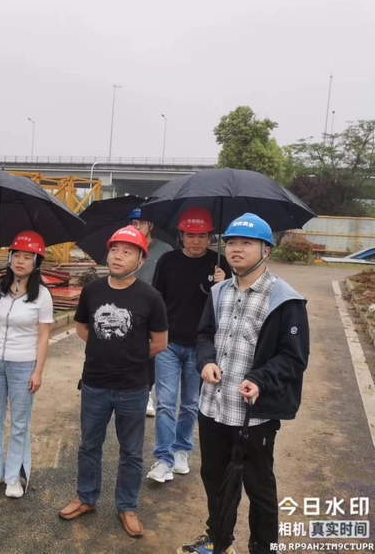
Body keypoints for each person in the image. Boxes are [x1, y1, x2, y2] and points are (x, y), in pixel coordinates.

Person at [178, 213, 310, 554]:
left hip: (254, 414)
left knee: (258, 485)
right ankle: (218, 540)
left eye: (247, 243)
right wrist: (206, 361)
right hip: (213, 406)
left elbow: (294, 357)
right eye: (231, 242)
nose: (236, 249)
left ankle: (263, 547)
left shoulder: (285, 299)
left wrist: (259, 378)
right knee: (214, 477)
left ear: (266, 250)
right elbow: (204, 335)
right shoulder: (218, 292)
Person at [58, 226, 168, 539]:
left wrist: (129, 356)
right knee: (89, 445)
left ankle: (127, 506)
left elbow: (160, 342)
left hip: (133, 387)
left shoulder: (151, 298)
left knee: (131, 452)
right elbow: (82, 327)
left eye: (127, 251)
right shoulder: (93, 290)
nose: (118, 256)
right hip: (94, 383)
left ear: (141, 260)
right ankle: (86, 498)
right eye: (115, 250)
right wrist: (104, 347)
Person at [147, 207, 232, 483]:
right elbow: (156, 299)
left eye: (202, 236)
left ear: (210, 237)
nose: (196, 241)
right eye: (190, 235)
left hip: (201, 346)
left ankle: (181, 450)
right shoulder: (168, 261)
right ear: (181, 236)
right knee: (165, 402)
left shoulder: (220, 266)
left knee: (191, 403)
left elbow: (231, 307)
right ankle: (163, 459)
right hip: (169, 343)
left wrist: (224, 284)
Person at [0, 231, 54, 499]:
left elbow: (43, 336)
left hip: (24, 364)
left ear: (36, 262)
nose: (21, 261)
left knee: (20, 423)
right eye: (16, 255)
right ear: (9, 258)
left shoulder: (42, 295)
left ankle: (14, 477)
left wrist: (38, 371)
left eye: (28, 257)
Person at [128, 207, 174, 417]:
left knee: (150, 352)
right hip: (128, 305)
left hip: (154, 307)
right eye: (133, 223)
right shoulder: (126, 247)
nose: (137, 227)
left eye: (141, 223)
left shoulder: (164, 250)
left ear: (151, 225)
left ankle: (146, 393)